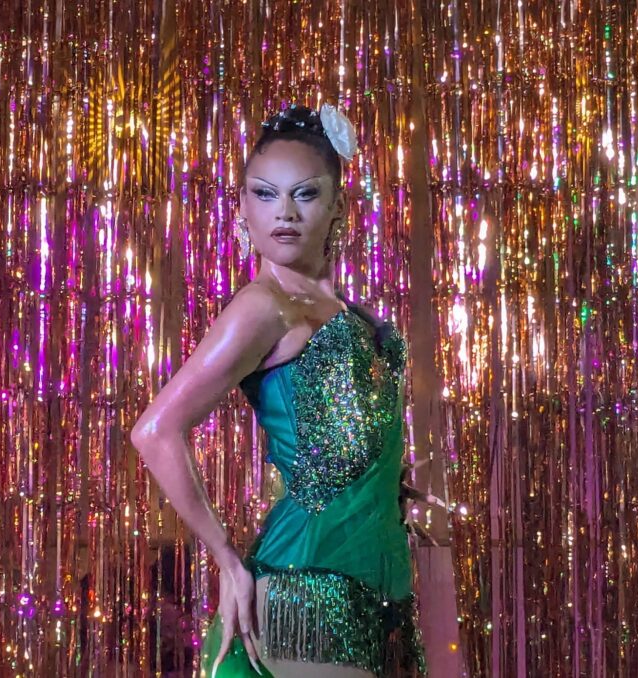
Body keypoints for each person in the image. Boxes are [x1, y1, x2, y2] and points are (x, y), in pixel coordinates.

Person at [130, 103, 427, 678]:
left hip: (384, 583)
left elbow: (346, 433)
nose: (284, 213)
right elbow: (155, 430)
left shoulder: (346, 312)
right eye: (264, 194)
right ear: (242, 206)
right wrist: (225, 558)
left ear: (338, 205)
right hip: (308, 588)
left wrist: (383, 478)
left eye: (305, 194)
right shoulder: (263, 307)